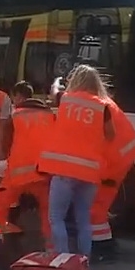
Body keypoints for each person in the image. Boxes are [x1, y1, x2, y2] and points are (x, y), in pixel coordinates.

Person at [38, 65, 115, 257]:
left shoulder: (66, 99)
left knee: (56, 218)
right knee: (83, 219)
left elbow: (53, 92)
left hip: (64, 170)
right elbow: (111, 135)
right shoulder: (102, 106)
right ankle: (84, 262)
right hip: (89, 172)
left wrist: (57, 81)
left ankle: (63, 260)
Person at [0, 81, 55, 252]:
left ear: (18, 96)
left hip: (18, 172)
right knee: (48, 211)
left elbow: (5, 141)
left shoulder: (15, 115)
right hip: (44, 172)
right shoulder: (51, 116)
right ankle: (52, 248)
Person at [89, 91, 135, 263]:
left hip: (114, 161)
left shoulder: (95, 106)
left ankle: (104, 248)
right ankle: (106, 246)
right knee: (99, 207)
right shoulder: (103, 102)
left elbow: (107, 135)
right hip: (122, 157)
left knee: (96, 208)